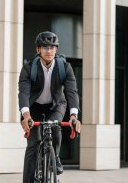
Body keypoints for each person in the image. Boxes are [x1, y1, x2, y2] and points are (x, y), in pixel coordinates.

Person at [18, 31, 81, 183]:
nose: (49, 51)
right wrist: (26, 116)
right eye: (45, 47)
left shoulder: (65, 67)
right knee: (33, 144)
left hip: (56, 105)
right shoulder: (28, 68)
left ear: (56, 50)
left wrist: (74, 116)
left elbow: (72, 91)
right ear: (38, 50)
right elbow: (24, 93)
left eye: (52, 47)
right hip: (34, 107)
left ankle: (56, 157)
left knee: (55, 127)